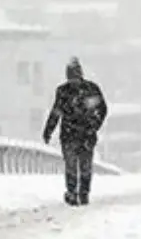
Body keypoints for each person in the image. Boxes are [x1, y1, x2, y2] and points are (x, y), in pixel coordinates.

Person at [42, 57, 108, 206]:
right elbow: (56, 112)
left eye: (74, 77)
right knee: (74, 164)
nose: (73, 81)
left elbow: (102, 109)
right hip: (76, 134)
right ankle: (74, 192)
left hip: (80, 134)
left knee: (81, 164)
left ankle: (81, 193)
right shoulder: (71, 91)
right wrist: (48, 130)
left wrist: (94, 126)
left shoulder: (86, 90)